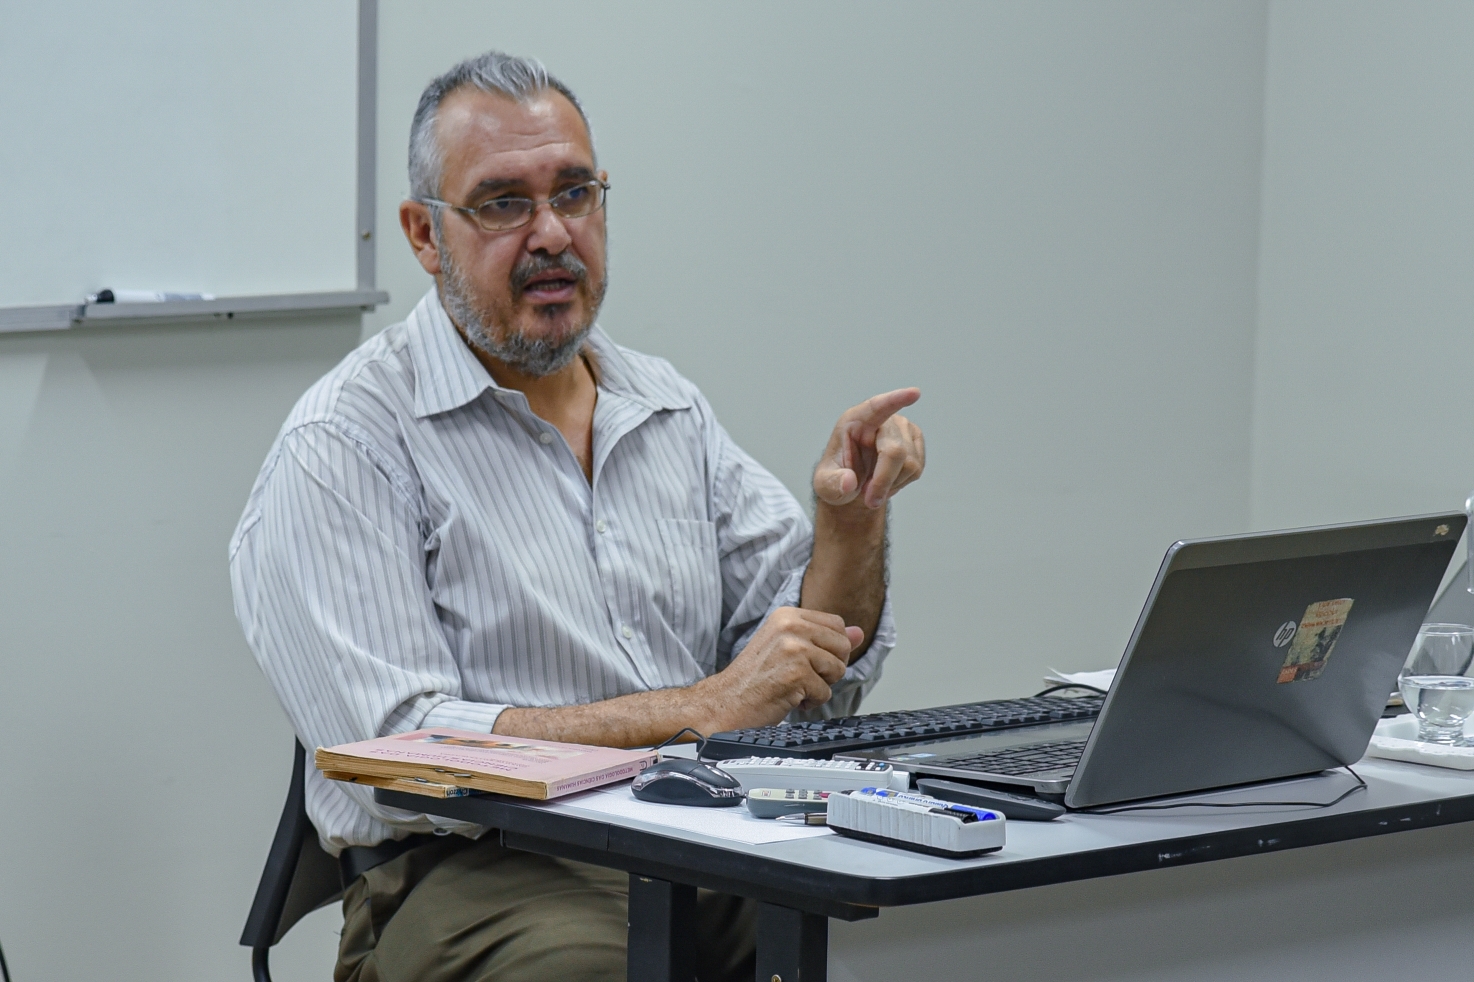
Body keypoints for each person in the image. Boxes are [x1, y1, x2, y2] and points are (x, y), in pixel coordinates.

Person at [230, 50, 926, 982]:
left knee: (904, 924)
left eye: (575, 193)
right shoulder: (345, 443)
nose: (553, 233)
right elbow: (399, 753)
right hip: (479, 869)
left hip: (698, 829)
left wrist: (851, 530)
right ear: (425, 235)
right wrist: (702, 709)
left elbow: (806, 672)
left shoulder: (664, 405)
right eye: (503, 203)